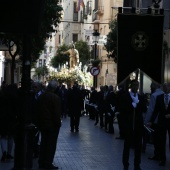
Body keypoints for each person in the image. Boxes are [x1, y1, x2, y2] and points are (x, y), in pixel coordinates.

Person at [119, 80, 147, 170]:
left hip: (138, 126)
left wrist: (138, 104)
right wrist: (131, 105)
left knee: (138, 146)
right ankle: (125, 164)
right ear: (131, 86)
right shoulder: (125, 97)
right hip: (128, 126)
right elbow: (122, 109)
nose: (136, 87)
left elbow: (144, 109)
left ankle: (137, 164)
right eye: (134, 85)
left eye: (137, 85)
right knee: (127, 146)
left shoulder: (141, 97)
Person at [36, 80, 61, 169]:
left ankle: (41, 161)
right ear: (54, 88)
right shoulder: (55, 98)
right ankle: (48, 162)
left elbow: (37, 110)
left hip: (43, 123)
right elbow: (56, 113)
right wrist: (58, 123)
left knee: (43, 143)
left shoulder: (41, 96)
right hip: (52, 125)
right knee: (51, 144)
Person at [148, 82, 170, 166]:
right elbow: (155, 111)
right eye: (164, 87)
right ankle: (162, 159)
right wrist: (151, 121)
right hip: (162, 122)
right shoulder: (159, 98)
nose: (166, 88)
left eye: (167, 86)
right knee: (162, 142)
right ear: (162, 88)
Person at [144, 82, 163, 157]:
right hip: (162, 120)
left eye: (151, 85)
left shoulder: (154, 95)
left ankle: (157, 154)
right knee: (161, 138)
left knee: (156, 138)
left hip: (155, 120)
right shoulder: (163, 94)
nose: (150, 87)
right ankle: (161, 154)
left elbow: (151, 110)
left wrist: (146, 121)